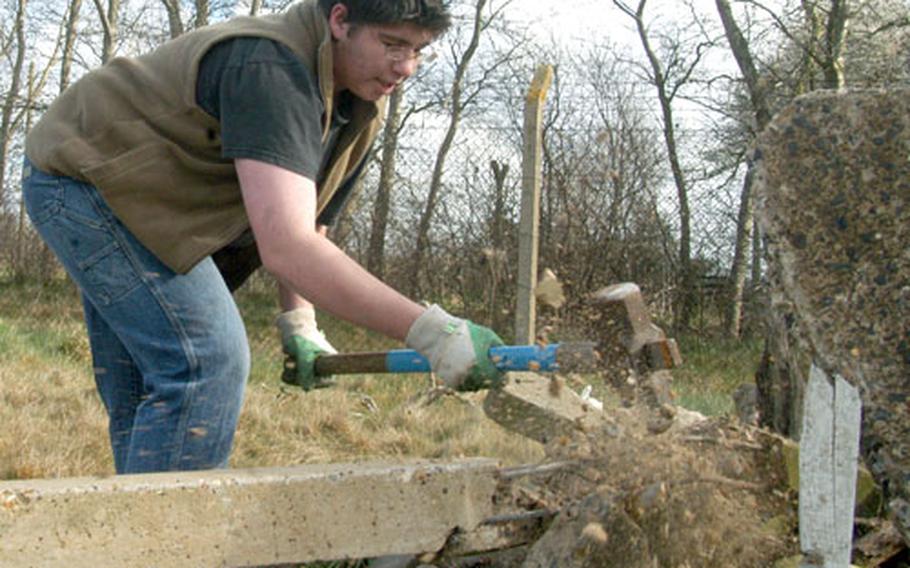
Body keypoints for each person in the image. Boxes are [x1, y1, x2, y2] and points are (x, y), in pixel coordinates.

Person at [21, 0, 503, 475]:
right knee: (205, 362)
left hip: (151, 194)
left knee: (153, 385)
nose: (406, 67)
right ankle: (181, 545)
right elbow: (288, 247)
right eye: (392, 44)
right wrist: (433, 334)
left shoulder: (355, 102)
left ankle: (131, 542)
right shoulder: (272, 70)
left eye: (419, 51)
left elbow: (308, 218)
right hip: (85, 179)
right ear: (340, 20)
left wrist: (301, 322)